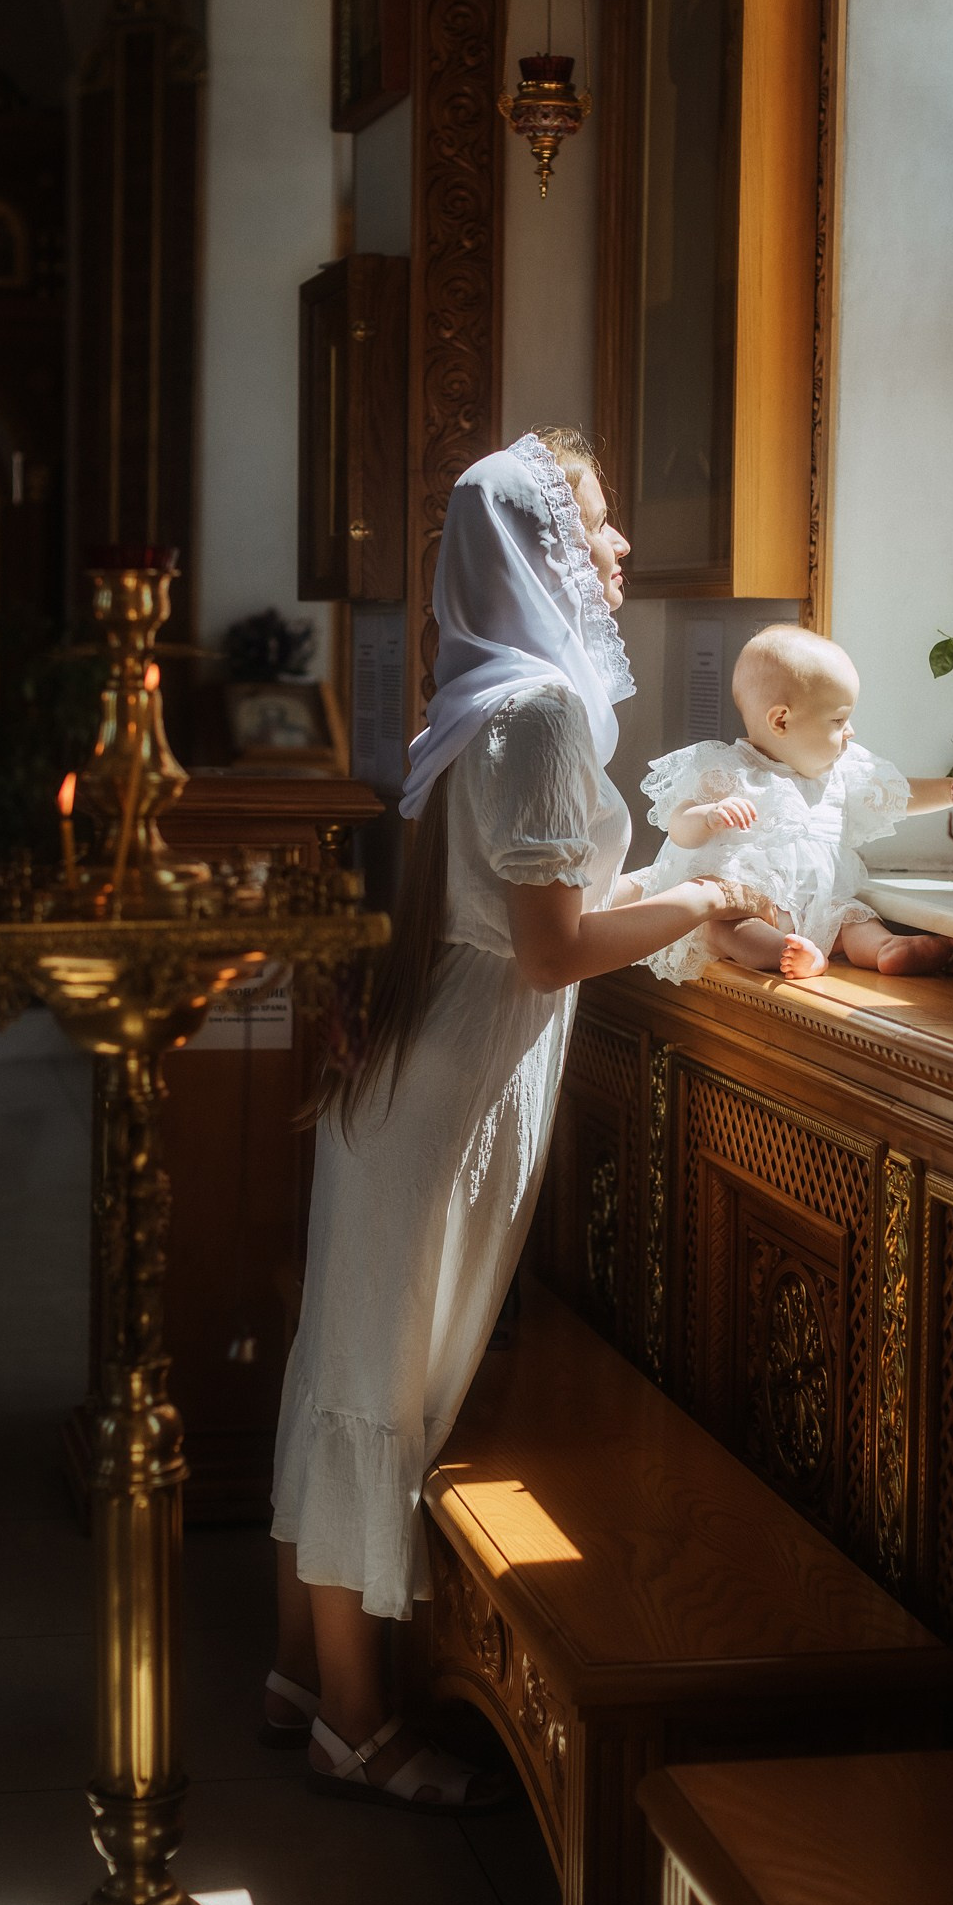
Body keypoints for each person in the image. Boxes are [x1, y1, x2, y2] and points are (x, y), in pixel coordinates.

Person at [265, 428, 774, 1812]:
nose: (614, 549)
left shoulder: (482, 696)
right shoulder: (540, 710)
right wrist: (706, 897)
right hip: (451, 1096)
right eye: (591, 526)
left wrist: (674, 864)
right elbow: (550, 948)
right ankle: (353, 1729)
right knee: (380, 1386)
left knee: (350, 1366)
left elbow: (511, 907)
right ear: (535, 546)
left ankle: (304, 1670)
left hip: (414, 1077)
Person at [633, 624, 953, 985]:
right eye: (838, 719)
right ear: (781, 721)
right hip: (752, 907)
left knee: (853, 920)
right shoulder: (730, 771)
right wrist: (709, 816)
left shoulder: (841, 774)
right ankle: (789, 952)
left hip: (821, 907)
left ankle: (887, 948)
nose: (851, 731)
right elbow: (678, 825)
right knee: (723, 930)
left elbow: (900, 793)